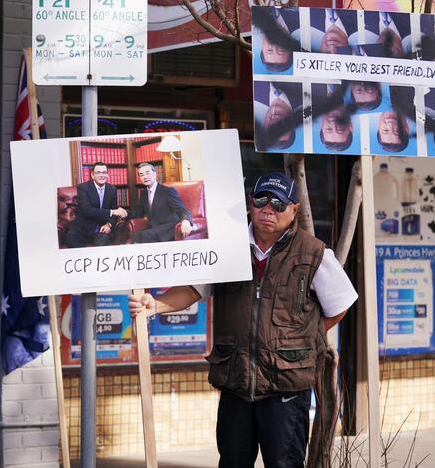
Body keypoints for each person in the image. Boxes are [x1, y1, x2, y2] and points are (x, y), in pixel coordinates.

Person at [129, 173, 357, 468]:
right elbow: (194, 289)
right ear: (251, 203)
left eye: (278, 203)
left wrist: (305, 337)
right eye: (261, 200)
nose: (268, 209)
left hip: (285, 387)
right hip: (236, 382)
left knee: (285, 464)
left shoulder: (313, 252)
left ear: (294, 210)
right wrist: (155, 303)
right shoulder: (227, 246)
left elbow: (340, 304)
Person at [66, 162, 127, 248]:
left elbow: (114, 215)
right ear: (92, 175)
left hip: (101, 229)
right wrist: (112, 212)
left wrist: (109, 224)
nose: (101, 175)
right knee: (70, 236)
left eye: (104, 172)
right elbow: (87, 211)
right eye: (98, 172)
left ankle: (94, 260)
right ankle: (84, 259)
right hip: (83, 228)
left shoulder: (112, 189)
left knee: (104, 240)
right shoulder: (83, 188)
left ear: (108, 175)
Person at [129, 162, 193, 243]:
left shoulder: (167, 191)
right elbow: (138, 213)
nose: (145, 177)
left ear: (155, 174)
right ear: (140, 178)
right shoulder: (144, 193)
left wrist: (186, 220)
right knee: (136, 235)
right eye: (142, 175)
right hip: (154, 229)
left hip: (168, 229)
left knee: (143, 236)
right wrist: (124, 213)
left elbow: (182, 209)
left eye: (147, 173)